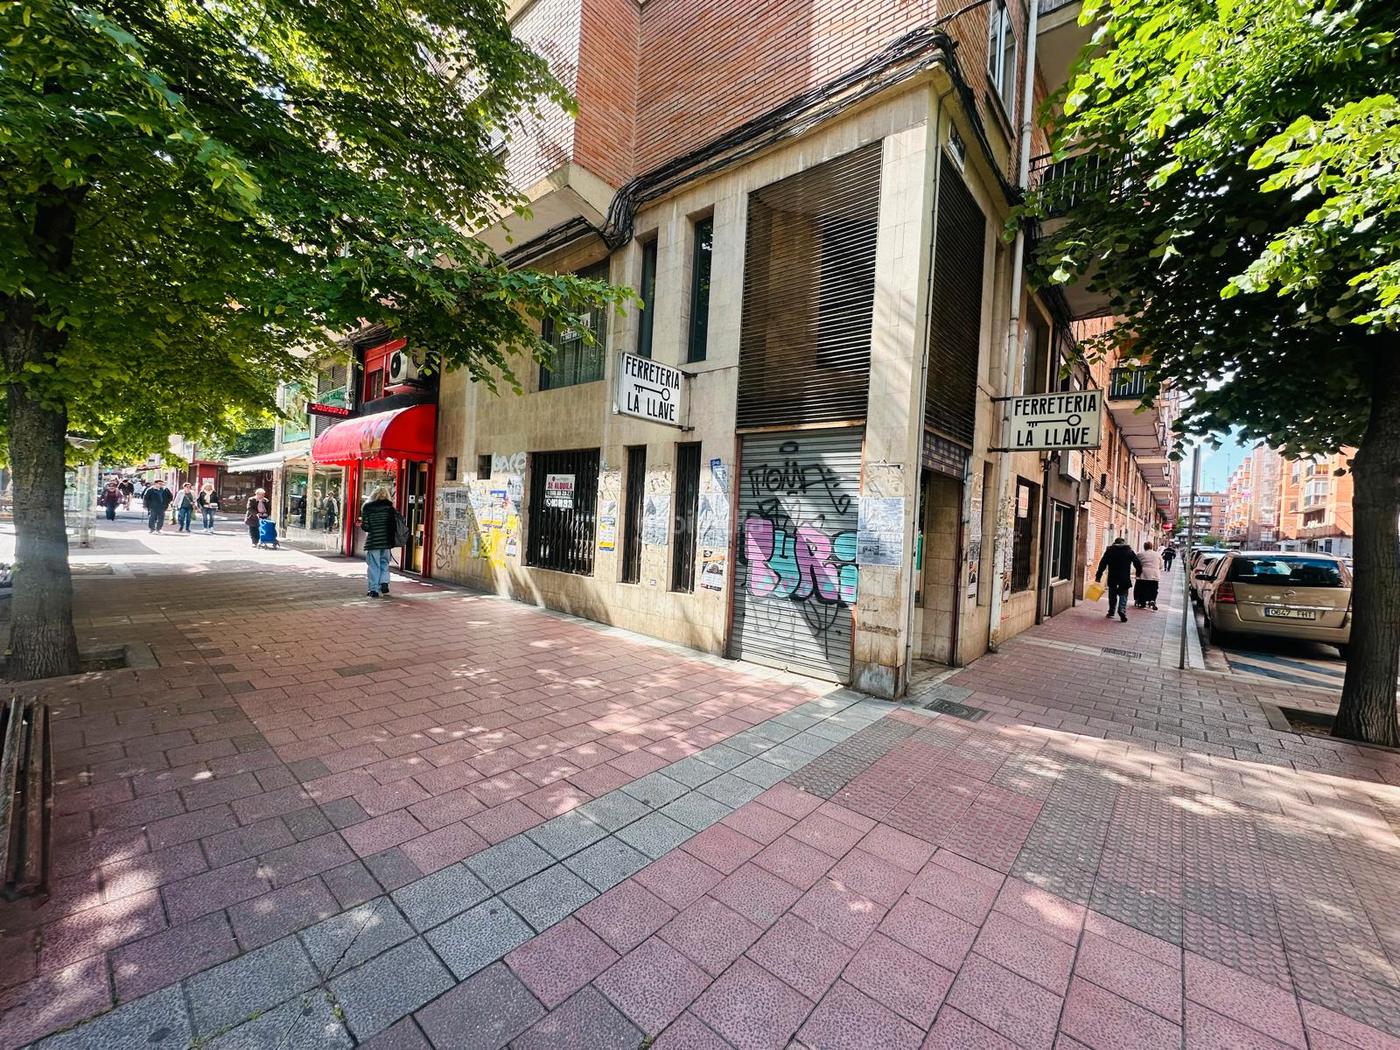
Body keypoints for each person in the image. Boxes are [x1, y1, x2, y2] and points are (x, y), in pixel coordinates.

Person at [359, 486, 398, 598]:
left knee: (374, 565)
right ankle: (384, 582)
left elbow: (365, 526)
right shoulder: (389, 508)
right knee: (384, 563)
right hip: (386, 541)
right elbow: (393, 526)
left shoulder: (367, 508)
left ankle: (374, 589)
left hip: (373, 541)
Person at [1095, 536, 1142, 622]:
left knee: (1112, 595)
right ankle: (1122, 609)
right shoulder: (1129, 551)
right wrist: (1138, 573)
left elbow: (1102, 564)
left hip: (1113, 577)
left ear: (1115, 543)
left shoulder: (1110, 551)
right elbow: (1137, 563)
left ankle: (1111, 611)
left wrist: (1098, 576)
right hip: (1124, 577)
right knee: (1123, 594)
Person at [1135, 541, 1163, 610]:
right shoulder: (1158, 554)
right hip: (1154, 574)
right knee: (1154, 588)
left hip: (1143, 574)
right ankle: (1152, 599)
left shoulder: (1140, 554)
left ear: (1144, 547)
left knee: (1142, 588)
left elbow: (1136, 563)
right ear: (1151, 547)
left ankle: (1142, 602)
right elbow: (1161, 565)